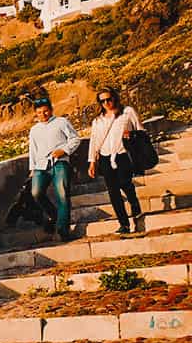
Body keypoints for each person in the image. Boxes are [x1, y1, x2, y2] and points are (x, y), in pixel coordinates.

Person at [88, 87, 144, 235]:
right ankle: (123, 224)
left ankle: (134, 202)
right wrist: (92, 162)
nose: (106, 103)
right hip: (105, 158)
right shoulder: (97, 120)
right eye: (102, 101)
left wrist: (131, 134)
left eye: (109, 99)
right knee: (113, 192)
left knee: (125, 183)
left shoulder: (127, 112)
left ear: (115, 98)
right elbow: (94, 141)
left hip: (123, 155)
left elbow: (141, 130)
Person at [28, 98, 81, 240]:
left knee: (62, 195)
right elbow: (32, 150)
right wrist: (32, 168)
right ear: (35, 113)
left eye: (45, 111)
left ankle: (63, 229)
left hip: (60, 162)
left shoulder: (61, 122)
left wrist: (63, 150)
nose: (43, 114)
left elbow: (75, 139)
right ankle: (54, 215)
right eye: (39, 112)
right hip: (40, 166)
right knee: (36, 193)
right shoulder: (34, 130)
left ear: (51, 110)